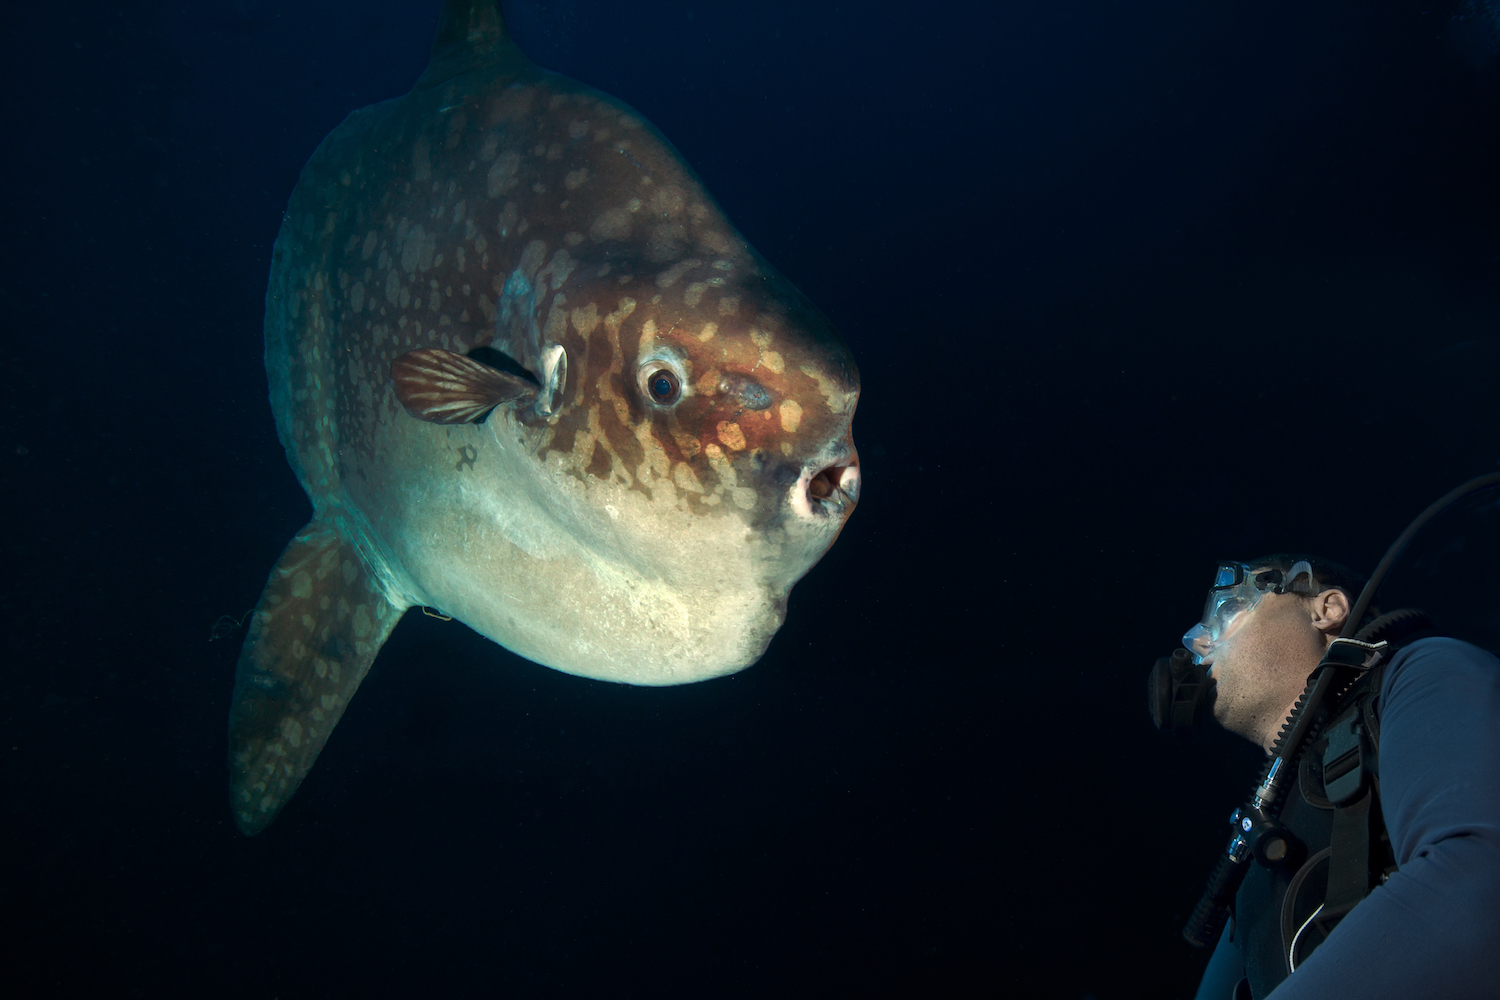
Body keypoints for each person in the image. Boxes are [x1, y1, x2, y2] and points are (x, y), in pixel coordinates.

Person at [1184, 554, 1500, 1000]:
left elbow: (1480, 882)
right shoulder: (1253, 854)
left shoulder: (1420, 674)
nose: (1199, 642)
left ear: (1326, 609)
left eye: (1231, 610)